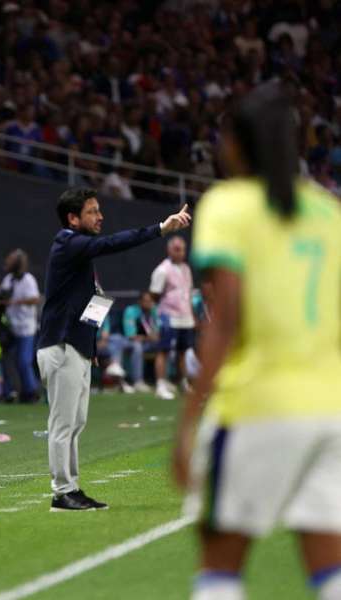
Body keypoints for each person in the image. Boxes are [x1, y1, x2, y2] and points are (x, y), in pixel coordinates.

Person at [173, 84, 341, 600]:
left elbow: (225, 320)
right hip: (330, 410)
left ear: (238, 144)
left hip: (256, 407)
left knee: (220, 564)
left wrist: (189, 417)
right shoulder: (327, 211)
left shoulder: (228, 204)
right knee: (330, 568)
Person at [36, 187, 191, 511]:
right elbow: (112, 243)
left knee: (75, 422)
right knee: (63, 424)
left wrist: (90, 346)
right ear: (73, 218)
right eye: (93, 211)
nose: (100, 216)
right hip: (61, 346)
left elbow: (90, 302)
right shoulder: (67, 242)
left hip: (75, 347)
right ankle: (61, 491)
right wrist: (161, 229)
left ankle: (72, 488)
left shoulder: (79, 252)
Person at [150, 235, 195, 399]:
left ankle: (183, 382)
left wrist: (192, 316)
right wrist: (167, 306)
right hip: (168, 316)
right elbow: (154, 294)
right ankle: (161, 385)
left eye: (182, 249)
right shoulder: (162, 270)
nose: (180, 253)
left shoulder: (186, 269)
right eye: (177, 249)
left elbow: (189, 292)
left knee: (183, 351)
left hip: (186, 317)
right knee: (164, 350)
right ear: (169, 250)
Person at [0, 249, 41, 403]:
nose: (7, 263)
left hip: (26, 329)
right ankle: (10, 392)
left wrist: (16, 302)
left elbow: (35, 299)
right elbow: (2, 295)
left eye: (10, 260)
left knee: (24, 361)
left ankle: (32, 392)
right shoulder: (8, 279)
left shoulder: (28, 279)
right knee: (8, 360)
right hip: (12, 327)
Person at [120, 291, 164, 393]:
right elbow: (131, 336)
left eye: (151, 301)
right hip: (131, 343)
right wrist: (149, 337)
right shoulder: (131, 311)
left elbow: (158, 332)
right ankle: (138, 381)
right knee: (137, 346)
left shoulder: (154, 310)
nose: (149, 304)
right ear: (139, 302)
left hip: (149, 343)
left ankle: (163, 381)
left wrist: (154, 336)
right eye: (146, 301)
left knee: (166, 345)